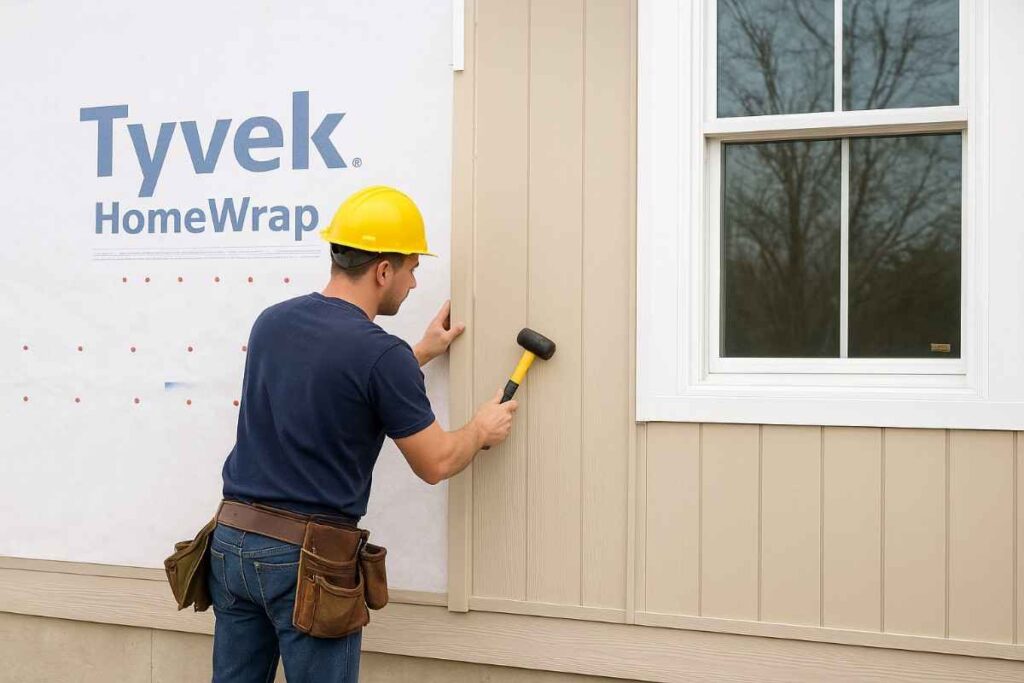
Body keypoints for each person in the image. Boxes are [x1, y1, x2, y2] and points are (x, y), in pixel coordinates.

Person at [208, 186, 518, 682]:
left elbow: (332, 382)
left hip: (232, 542)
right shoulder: (380, 355)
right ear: (383, 270)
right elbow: (436, 462)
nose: (414, 282)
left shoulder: (272, 322)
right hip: (306, 561)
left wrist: (419, 353)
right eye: (412, 268)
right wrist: (481, 428)